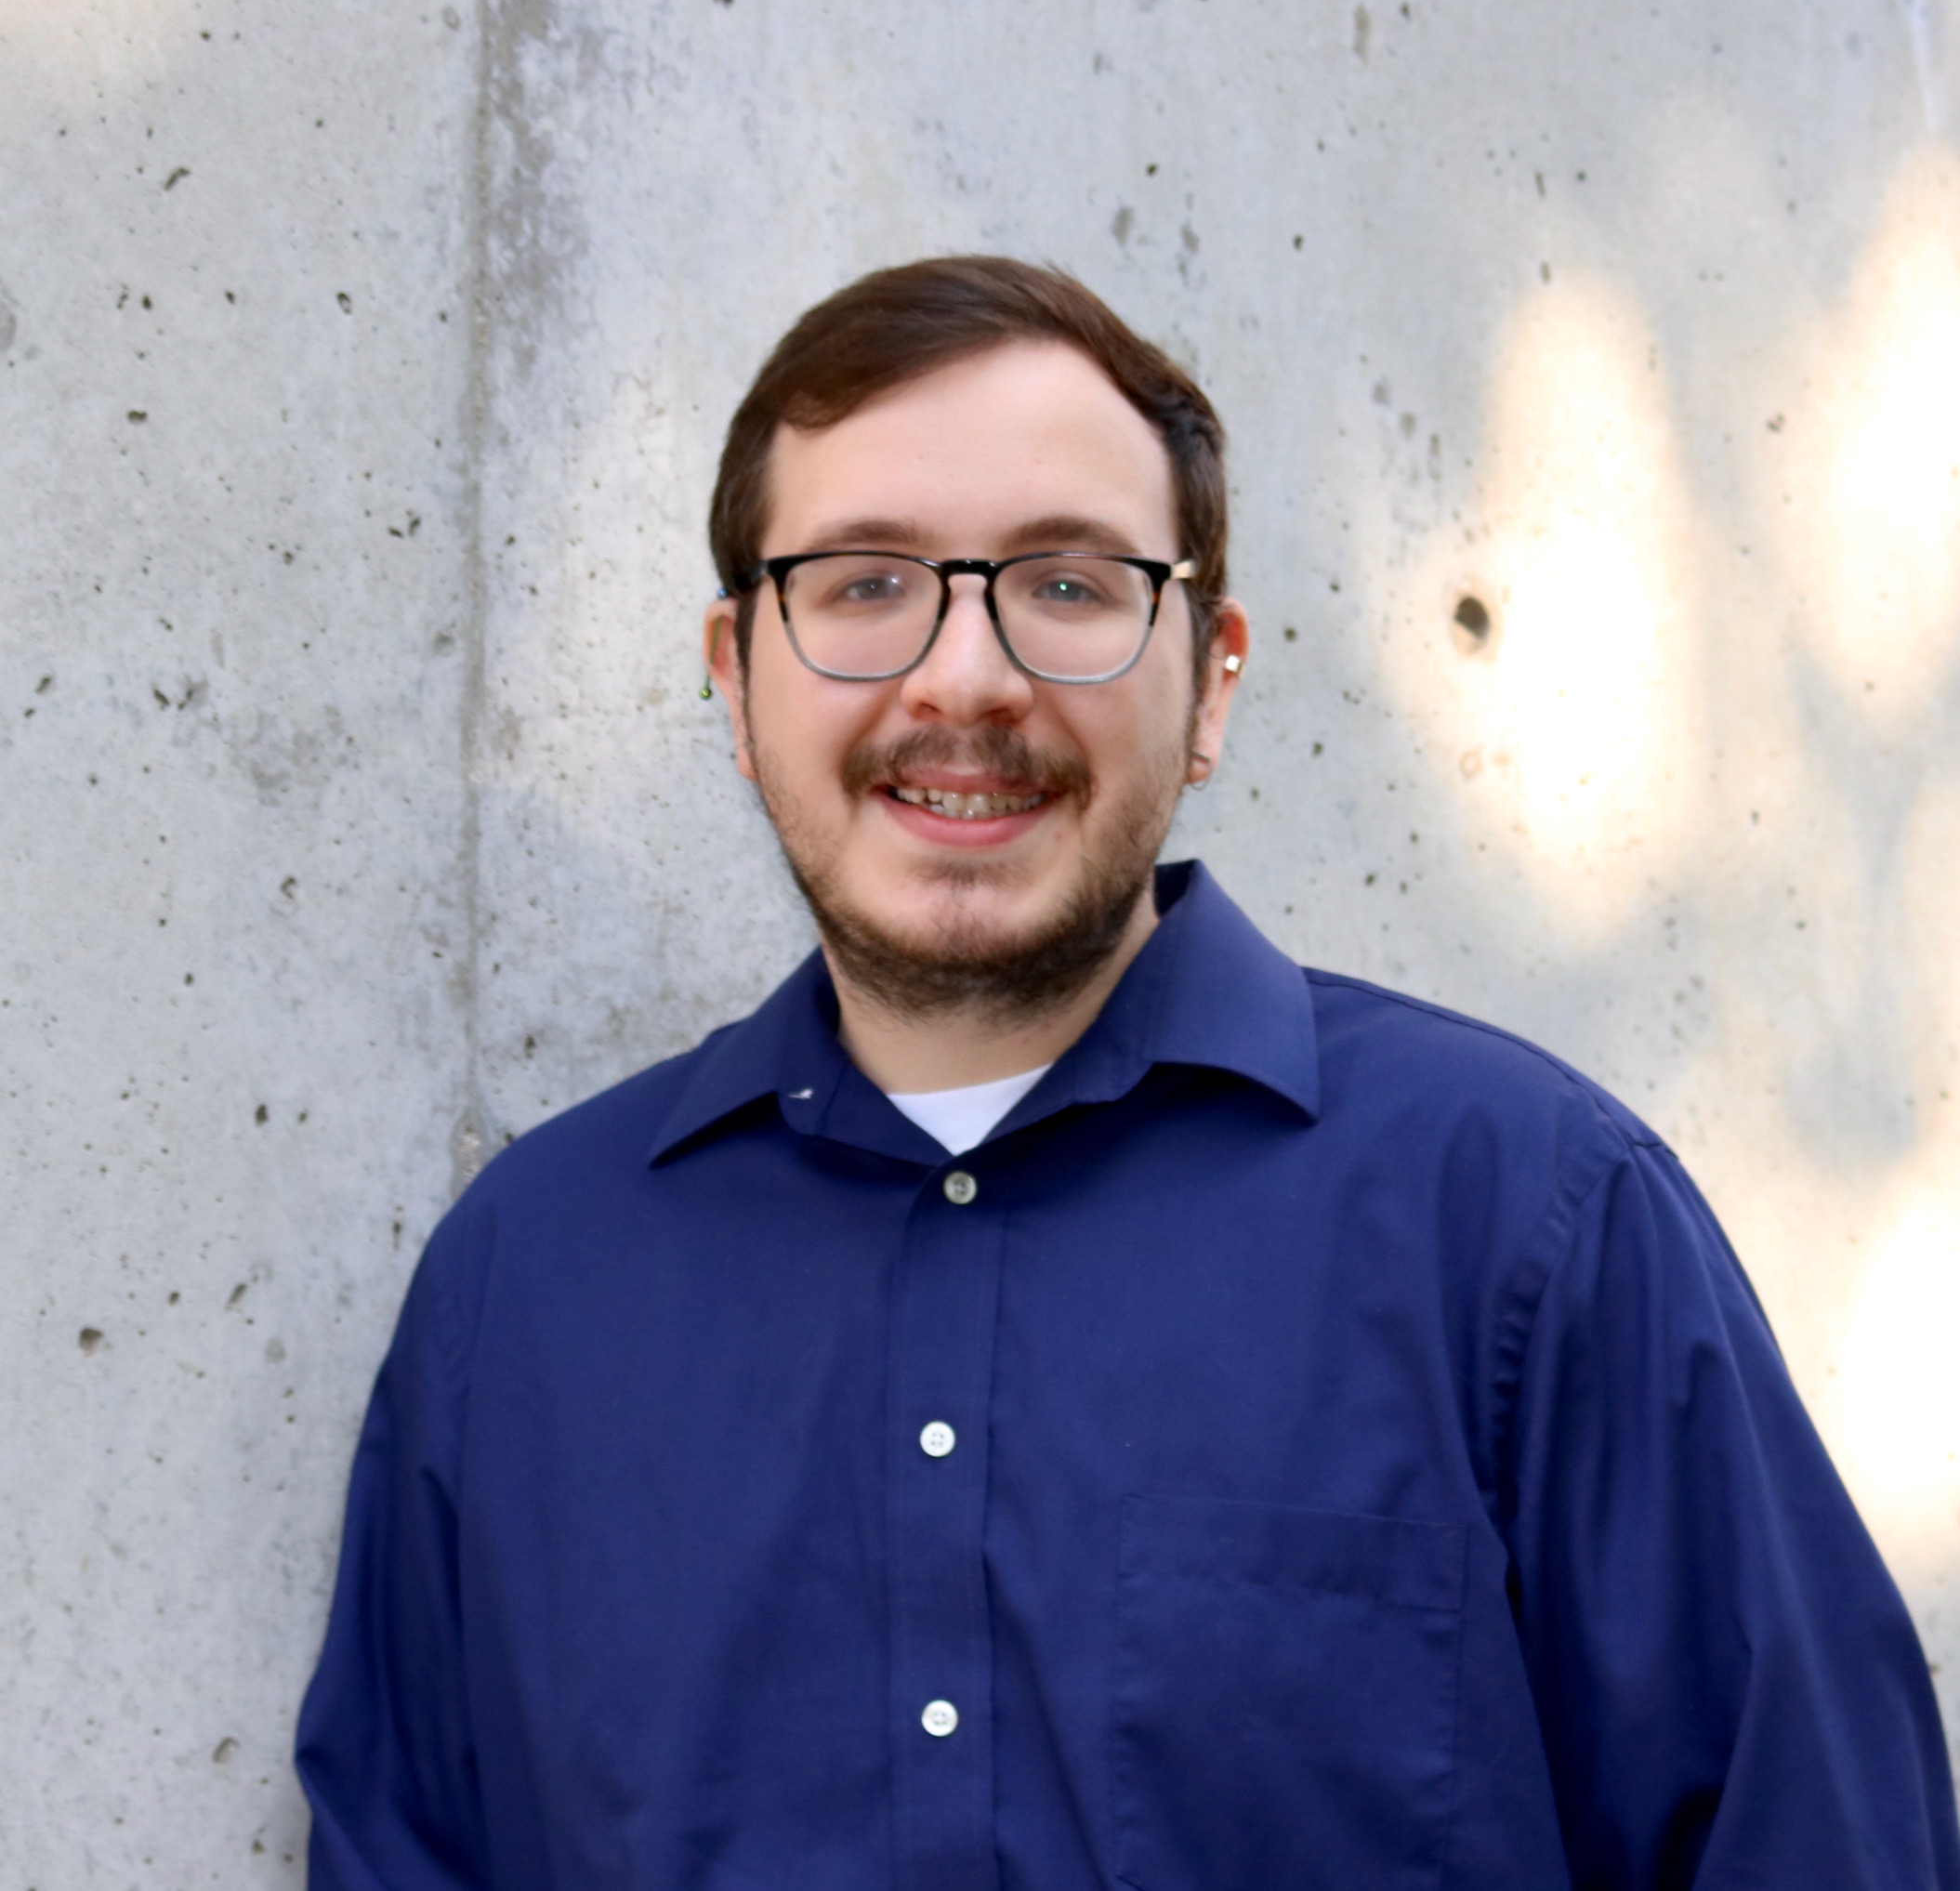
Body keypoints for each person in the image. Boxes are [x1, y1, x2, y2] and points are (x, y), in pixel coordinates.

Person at [296, 256, 1960, 1889]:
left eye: (1068, 585)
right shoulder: (526, 1284)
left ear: (1211, 678)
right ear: (737, 679)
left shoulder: (1525, 1217)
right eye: (864, 581)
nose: (964, 676)